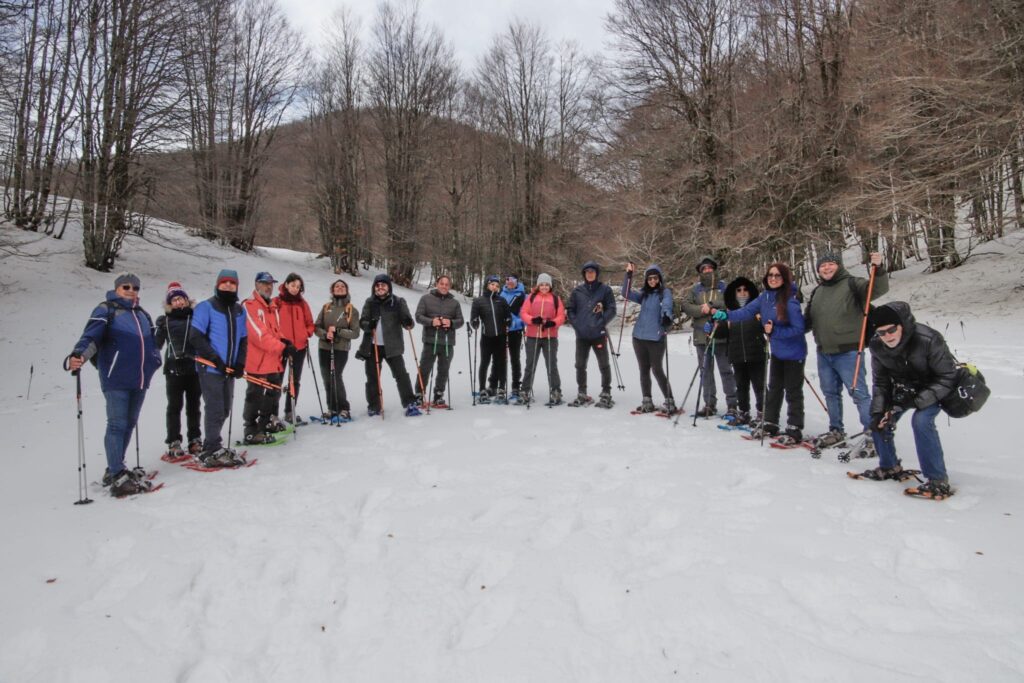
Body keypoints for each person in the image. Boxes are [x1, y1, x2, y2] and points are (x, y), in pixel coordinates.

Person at [67, 273, 162, 497]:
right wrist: (78, 355)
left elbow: (153, 343)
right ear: (117, 288)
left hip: (139, 379)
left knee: (129, 423)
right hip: (116, 377)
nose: (131, 290)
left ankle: (115, 468)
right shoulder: (106, 310)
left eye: (135, 287)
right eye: (126, 286)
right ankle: (117, 473)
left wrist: (154, 361)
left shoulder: (143, 315)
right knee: (117, 424)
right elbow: (91, 337)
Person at [853, 302, 959, 500]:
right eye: (882, 332)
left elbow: (947, 377)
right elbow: (881, 383)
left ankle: (937, 480)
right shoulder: (877, 345)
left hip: (933, 388)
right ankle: (889, 466)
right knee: (877, 420)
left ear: (901, 325)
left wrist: (918, 401)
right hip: (903, 390)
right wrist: (878, 412)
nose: (888, 336)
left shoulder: (928, 338)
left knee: (921, 421)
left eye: (892, 330)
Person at [713, 262, 806, 443]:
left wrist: (775, 332)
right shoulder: (764, 298)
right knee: (774, 389)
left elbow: (799, 328)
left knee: (793, 391)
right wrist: (726, 315)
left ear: (784, 278)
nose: (773, 278)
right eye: (770, 275)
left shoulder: (790, 300)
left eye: (777, 275)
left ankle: (794, 428)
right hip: (778, 352)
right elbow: (745, 312)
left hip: (795, 353)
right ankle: (770, 422)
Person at [804, 249, 887, 449]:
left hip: (849, 352)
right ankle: (836, 430)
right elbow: (807, 322)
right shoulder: (818, 291)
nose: (826, 268)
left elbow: (876, 290)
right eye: (822, 266)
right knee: (830, 393)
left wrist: (879, 268)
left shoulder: (852, 283)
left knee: (859, 394)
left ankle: (872, 434)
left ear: (839, 265)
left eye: (830, 264)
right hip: (824, 352)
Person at [189, 269, 248, 466]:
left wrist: (240, 363)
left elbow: (243, 339)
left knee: (225, 409)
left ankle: (210, 444)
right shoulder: (207, 307)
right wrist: (214, 358)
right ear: (217, 284)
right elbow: (195, 336)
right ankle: (213, 448)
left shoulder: (239, 310)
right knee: (214, 408)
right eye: (225, 282)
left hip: (229, 369)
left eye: (232, 283)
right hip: (211, 368)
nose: (228, 286)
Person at [356, 273, 420, 417]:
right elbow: (362, 322)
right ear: (374, 288)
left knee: (401, 375)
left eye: (383, 285)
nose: (380, 288)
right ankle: (374, 406)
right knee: (372, 377)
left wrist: (408, 321)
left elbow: (408, 323)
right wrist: (368, 324)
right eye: (377, 285)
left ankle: (410, 403)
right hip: (373, 346)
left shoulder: (397, 301)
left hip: (393, 346)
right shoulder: (370, 302)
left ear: (388, 287)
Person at [682, 256, 738, 419]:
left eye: (709, 268)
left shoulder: (724, 287)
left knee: (726, 370)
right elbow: (685, 305)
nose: (707, 270)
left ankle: (732, 404)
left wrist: (712, 306)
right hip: (701, 335)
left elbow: (731, 304)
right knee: (706, 372)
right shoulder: (695, 289)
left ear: (714, 269)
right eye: (703, 268)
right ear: (700, 271)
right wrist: (702, 309)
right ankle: (709, 403)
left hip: (721, 334)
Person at [154, 281, 202, 459]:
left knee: (194, 406)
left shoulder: (196, 318)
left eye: (181, 299)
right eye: (174, 300)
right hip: (173, 368)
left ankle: (195, 439)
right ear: (169, 303)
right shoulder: (165, 321)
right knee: (174, 406)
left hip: (194, 368)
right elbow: (156, 344)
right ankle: (174, 441)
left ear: (187, 300)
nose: (178, 302)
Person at [241, 272, 289, 445]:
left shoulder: (272, 307)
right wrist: (281, 346)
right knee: (255, 395)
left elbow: (275, 331)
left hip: (273, 360)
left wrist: (284, 340)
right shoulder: (250, 305)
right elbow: (258, 334)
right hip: (257, 361)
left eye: (271, 284)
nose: (268, 287)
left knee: (273, 393)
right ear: (256, 284)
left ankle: (264, 424)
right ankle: (251, 429)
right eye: (264, 283)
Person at [623, 263, 676, 414]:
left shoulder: (664, 292)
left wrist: (666, 316)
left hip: (656, 338)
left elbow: (667, 305)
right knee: (643, 370)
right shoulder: (644, 294)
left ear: (659, 279)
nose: (652, 281)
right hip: (638, 337)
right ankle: (647, 400)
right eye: (649, 278)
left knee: (657, 369)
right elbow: (626, 293)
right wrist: (628, 276)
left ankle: (669, 400)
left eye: (655, 278)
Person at [566, 261, 617, 408]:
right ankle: (582, 392)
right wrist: (577, 324)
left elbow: (612, 309)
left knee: (604, 364)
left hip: (598, 334)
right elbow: (570, 310)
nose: (590, 274)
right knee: (580, 365)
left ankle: (606, 392)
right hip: (582, 335)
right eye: (587, 271)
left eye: (592, 271)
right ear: (584, 274)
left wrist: (601, 322)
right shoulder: (577, 291)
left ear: (596, 273)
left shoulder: (605, 290)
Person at [313, 279, 361, 422]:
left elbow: (355, 333)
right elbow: (316, 327)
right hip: (324, 347)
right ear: (332, 290)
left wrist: (339, 331)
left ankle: (344, 408)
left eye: (342, 286)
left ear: (346, 290)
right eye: (337, 286)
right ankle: (332, 408)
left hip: (340, 349)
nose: (339, 288)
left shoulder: (351, 310)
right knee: (327, 378)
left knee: (335, 375)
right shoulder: (326, 307)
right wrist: (324, 334)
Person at [414, 274, 464, 408]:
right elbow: (418, 316)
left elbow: (460, 321)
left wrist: (451, 323)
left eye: (447, 284)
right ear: (437, 284)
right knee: (424, 368)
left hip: (447, 342)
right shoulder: (426, 299)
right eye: (442, 283)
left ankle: (439, 395)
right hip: (431, 340)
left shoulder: (455, 302)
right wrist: (431, 321)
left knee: (443, 370)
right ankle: (419, 395)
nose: (444, 286)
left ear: (450, 287)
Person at [722, 276, 766, 426]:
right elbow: (722, 332)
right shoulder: (729, 310)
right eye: (739, 290)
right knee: (741, 385)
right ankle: (744, 412)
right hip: (737, 353)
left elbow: (767, 327)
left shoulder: (758, 309)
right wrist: (713, 327)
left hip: (756, 352)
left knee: (759, 385)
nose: (742, 293)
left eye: (745, 290)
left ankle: (763, 412)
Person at [518, 273, 566, 406]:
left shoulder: (555, 299)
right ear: (538, 285)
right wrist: (532, 320)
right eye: (542, 284)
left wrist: (553, 323)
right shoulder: (532, 297)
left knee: (551, 365)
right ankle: (525, 391)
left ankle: (556, 391)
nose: (544, 287)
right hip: (533, 336)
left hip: (550, 337)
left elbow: (561, 316)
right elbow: (523, 313)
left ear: (550, 286)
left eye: (546, 284)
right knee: (530, 365)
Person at [275, 272, 315, 425]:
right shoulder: (277, 302)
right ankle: (272, 414)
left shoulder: (302, 304)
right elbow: (271, 323)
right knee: (276, 380)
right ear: (286, 285)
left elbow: (310, 323)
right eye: (293, 285)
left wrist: (306, 333)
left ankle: (290, 411)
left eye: (298, 287)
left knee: (295, 380)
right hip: (281, 347)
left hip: (299, 347)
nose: (295, 289)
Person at [470, 275, 512, 404]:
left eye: (497, 285)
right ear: (487, 285)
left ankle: (501, 389)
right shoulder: (479, 301)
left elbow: (508, 316)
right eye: (492, 284)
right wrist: (475, 322)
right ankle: (482, 389)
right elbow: (473, 319)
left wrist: (508, 320)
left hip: (500, 337)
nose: (495, 287)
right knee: (484, 363)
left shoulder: (502, 301)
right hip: (486, 337)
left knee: (501, 363)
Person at [498, 274, 527, 400]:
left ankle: (515, 386)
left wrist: (515, 323)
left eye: (513, 280)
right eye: (507, 279)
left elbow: (526, 315)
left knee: (515, 359)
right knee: (501, 358)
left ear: (517, 281)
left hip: (515, 331)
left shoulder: (522, 295)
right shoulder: (501, 293)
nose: (510, 282)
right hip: (501, 330)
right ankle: (501, 386)